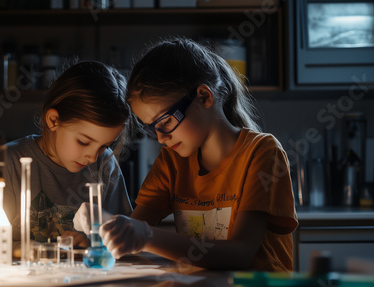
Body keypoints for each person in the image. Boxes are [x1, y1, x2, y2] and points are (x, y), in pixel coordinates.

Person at [75, 38, 298, 271]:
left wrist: (146, 237)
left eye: (165, 122)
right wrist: (103, 233)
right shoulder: (172, 161)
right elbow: (137, 227)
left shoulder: (261, 152)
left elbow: (239, 254)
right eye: (151, 128)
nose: (160, 138)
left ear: (204, 97)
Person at [0, 60, 134, 252]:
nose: (93, 157)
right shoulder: (8, 163)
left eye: (104, 146)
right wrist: (28, 250)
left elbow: (124, 240)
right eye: (84, 142)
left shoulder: (105, 164)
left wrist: (91, 244)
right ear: (53, 120)